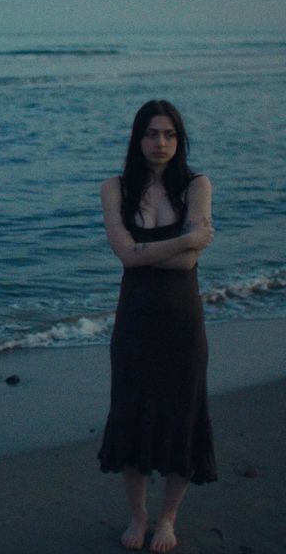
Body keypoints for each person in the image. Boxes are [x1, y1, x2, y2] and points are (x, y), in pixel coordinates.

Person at [97, 100, 217, 552]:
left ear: (178, 139)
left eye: (169, 134)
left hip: (183, 323)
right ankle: (138, 516)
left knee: (183, 416)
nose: (160, 142)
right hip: (135, 321)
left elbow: (188, 263)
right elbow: (128, 256)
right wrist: (186, 237)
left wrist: (163, 251)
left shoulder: (196, 186)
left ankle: (167, 518)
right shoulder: (114, 188)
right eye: (152, 133)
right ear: (138, 137)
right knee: (131, 413)